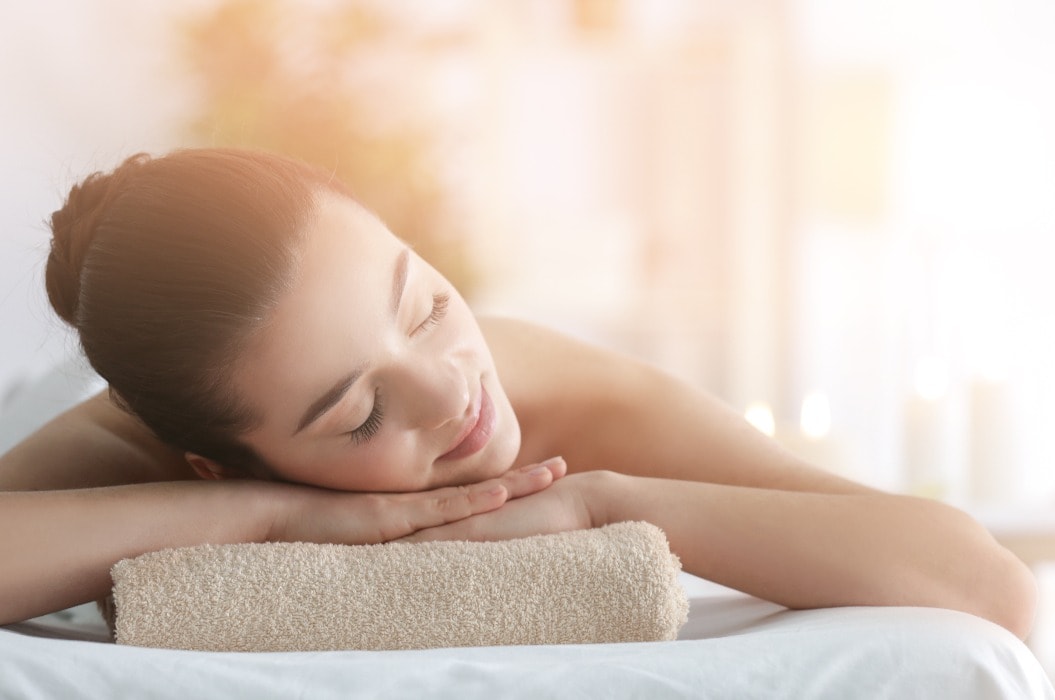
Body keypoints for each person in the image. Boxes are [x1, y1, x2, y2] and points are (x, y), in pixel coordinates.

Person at [0, 148, 1036, 639]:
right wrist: (266, 512)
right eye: (358, 415)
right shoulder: (136, 445)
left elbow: (985, 584)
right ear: (211, 461)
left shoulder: (574, 396)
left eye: (424, 305)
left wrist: (617, 502)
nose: (450, 391)